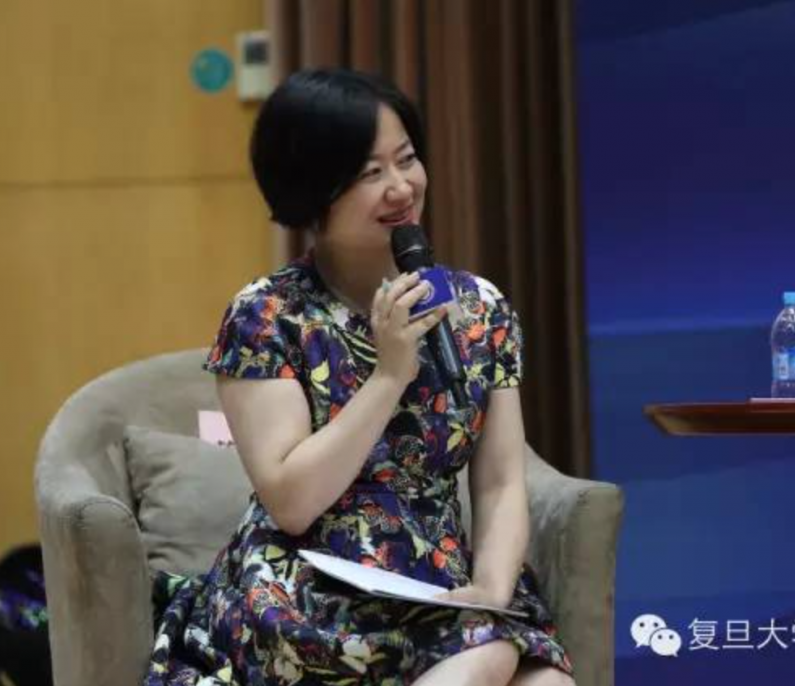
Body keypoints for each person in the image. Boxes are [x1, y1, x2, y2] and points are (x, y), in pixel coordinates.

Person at [144, 69, 574, 686]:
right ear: (313, 189)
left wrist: (490, 589)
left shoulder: (479, 308)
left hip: (436, 583)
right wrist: (388, 376)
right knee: (490, 657)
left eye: (407, 159)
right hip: (306, 588)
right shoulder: (268, 314)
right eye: (371, 173)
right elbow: (292, 501)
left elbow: (502, 480)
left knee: (546, 679)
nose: (402, 187)